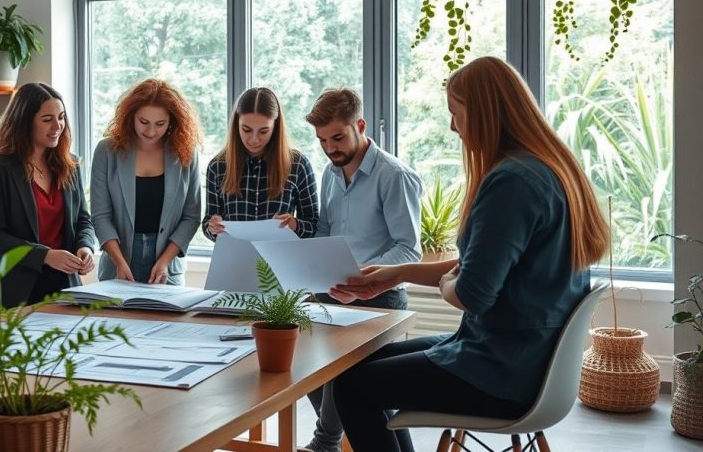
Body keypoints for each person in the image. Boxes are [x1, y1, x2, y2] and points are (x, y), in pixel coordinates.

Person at [329, 56, 609, 452]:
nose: (452, 126)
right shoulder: (549, 168)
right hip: (528, 359)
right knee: (361, 363)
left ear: (485, 113)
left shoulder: (510, 183)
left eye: (456, 113)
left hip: (502, 371)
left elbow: (470, 293)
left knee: (352, 386)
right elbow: (479, 265)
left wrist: (448, 284)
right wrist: (398, 273)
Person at [302, 88, 423, 452]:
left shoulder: (394, 176)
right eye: (322, 140)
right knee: (299, 362)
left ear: (360, 125)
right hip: (333, 292)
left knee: (351, 381)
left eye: (337, 137)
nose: (329, 148)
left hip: (379, 297)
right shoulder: (330, 172)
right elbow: (325, 233)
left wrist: (364, 278)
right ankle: (332, 441)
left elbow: (409, 251)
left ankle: (325, 442)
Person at [0, 82, 96, 310]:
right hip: (10, 292)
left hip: (63, 287)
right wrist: (45, 256)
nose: (58, 126)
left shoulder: (69, 164)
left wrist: (85, 247)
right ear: (25, 122)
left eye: (61, 117)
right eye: (47, 119)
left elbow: (83, 219)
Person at [91, 79, 203, 285]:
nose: (151, 131)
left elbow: (191, 216)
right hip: (118, 263)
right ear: (130, 116)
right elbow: (100, 216)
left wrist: (164, 261)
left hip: (166, 267)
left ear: (172, 121)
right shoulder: (106, 151)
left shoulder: (186, 154)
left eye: (160, 124)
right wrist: (120, 262)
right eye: (144, 122)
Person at [202, 87, 318, 242]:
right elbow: (207, 224)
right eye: (246, 130)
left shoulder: (298, 165)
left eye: (263, 131)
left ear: (275, 128)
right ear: (236, 125)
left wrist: (294, 224)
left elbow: (314, 225)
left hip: (280, 262)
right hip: (235, 261)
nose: (254, 139)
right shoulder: (218, 166)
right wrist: (212, 227)